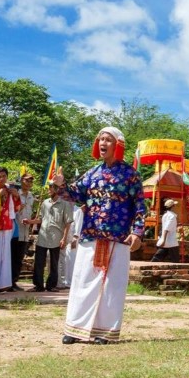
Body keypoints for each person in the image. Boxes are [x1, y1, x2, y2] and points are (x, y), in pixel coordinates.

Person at [53, 126, 146, 344]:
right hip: (91, 235)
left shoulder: (131, 175)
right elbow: (74, 195)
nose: (103, 142)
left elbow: (140, 206)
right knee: (83, 280)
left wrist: (137, 232)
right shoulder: (92, 173)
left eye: (108, 139)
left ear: (118, 145)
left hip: (118, 237)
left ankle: (104, 332)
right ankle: (75, 328)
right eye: (101, 139)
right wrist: (61, 184)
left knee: (112, 285)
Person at [27, 181, 72, 292]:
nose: (49, 190)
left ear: (57, 190)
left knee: (54, 263)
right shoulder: (45, 203)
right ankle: (38, 286)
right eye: (49, 187)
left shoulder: (65, 204)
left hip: (56, 237)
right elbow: (41, 219)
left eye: (51, 188)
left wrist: (64, 238)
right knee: (39, 262)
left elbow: (68, 223)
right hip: (43, 235)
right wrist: (30, 221)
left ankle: (51, 285)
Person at [0, 168, 20, 293]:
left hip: (7, 225)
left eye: (3, 176)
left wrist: (16, 196)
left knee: (4, 256)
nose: (1, 178)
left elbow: (17, 208)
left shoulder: (10, 190)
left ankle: (3, 284)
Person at [11, 173, 36, 289]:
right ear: (21, 180)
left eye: (31, 181)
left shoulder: (31, 196)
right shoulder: (16, 193)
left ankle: (14, 281)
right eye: (26, 180)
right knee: (12, 257)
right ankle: (9, 281)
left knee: (19, 258)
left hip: (26, 231)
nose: (28, 183)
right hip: (15, 229)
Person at [60, 201, 85, 287]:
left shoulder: (78, 211)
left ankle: (70, 281)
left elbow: (78, 226)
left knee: (71, 260)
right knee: (63, 260)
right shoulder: (63, 209)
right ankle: (63, 280)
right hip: (63, 238)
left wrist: (75, 238)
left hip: (73, 239)